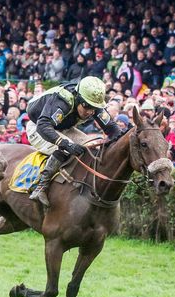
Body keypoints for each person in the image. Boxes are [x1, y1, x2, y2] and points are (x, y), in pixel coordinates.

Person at [26, 76, 121, 207]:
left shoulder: (93, 103)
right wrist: (65, 144)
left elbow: (111, 127)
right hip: (38, 127)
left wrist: (123, 138)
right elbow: (43, 126)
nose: (90, 112)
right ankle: (40, 186)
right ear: (78, 98)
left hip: (63, 127)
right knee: (66, 147)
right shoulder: (63, 101)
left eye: (94, 108)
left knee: (92, 145)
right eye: (87, 107)